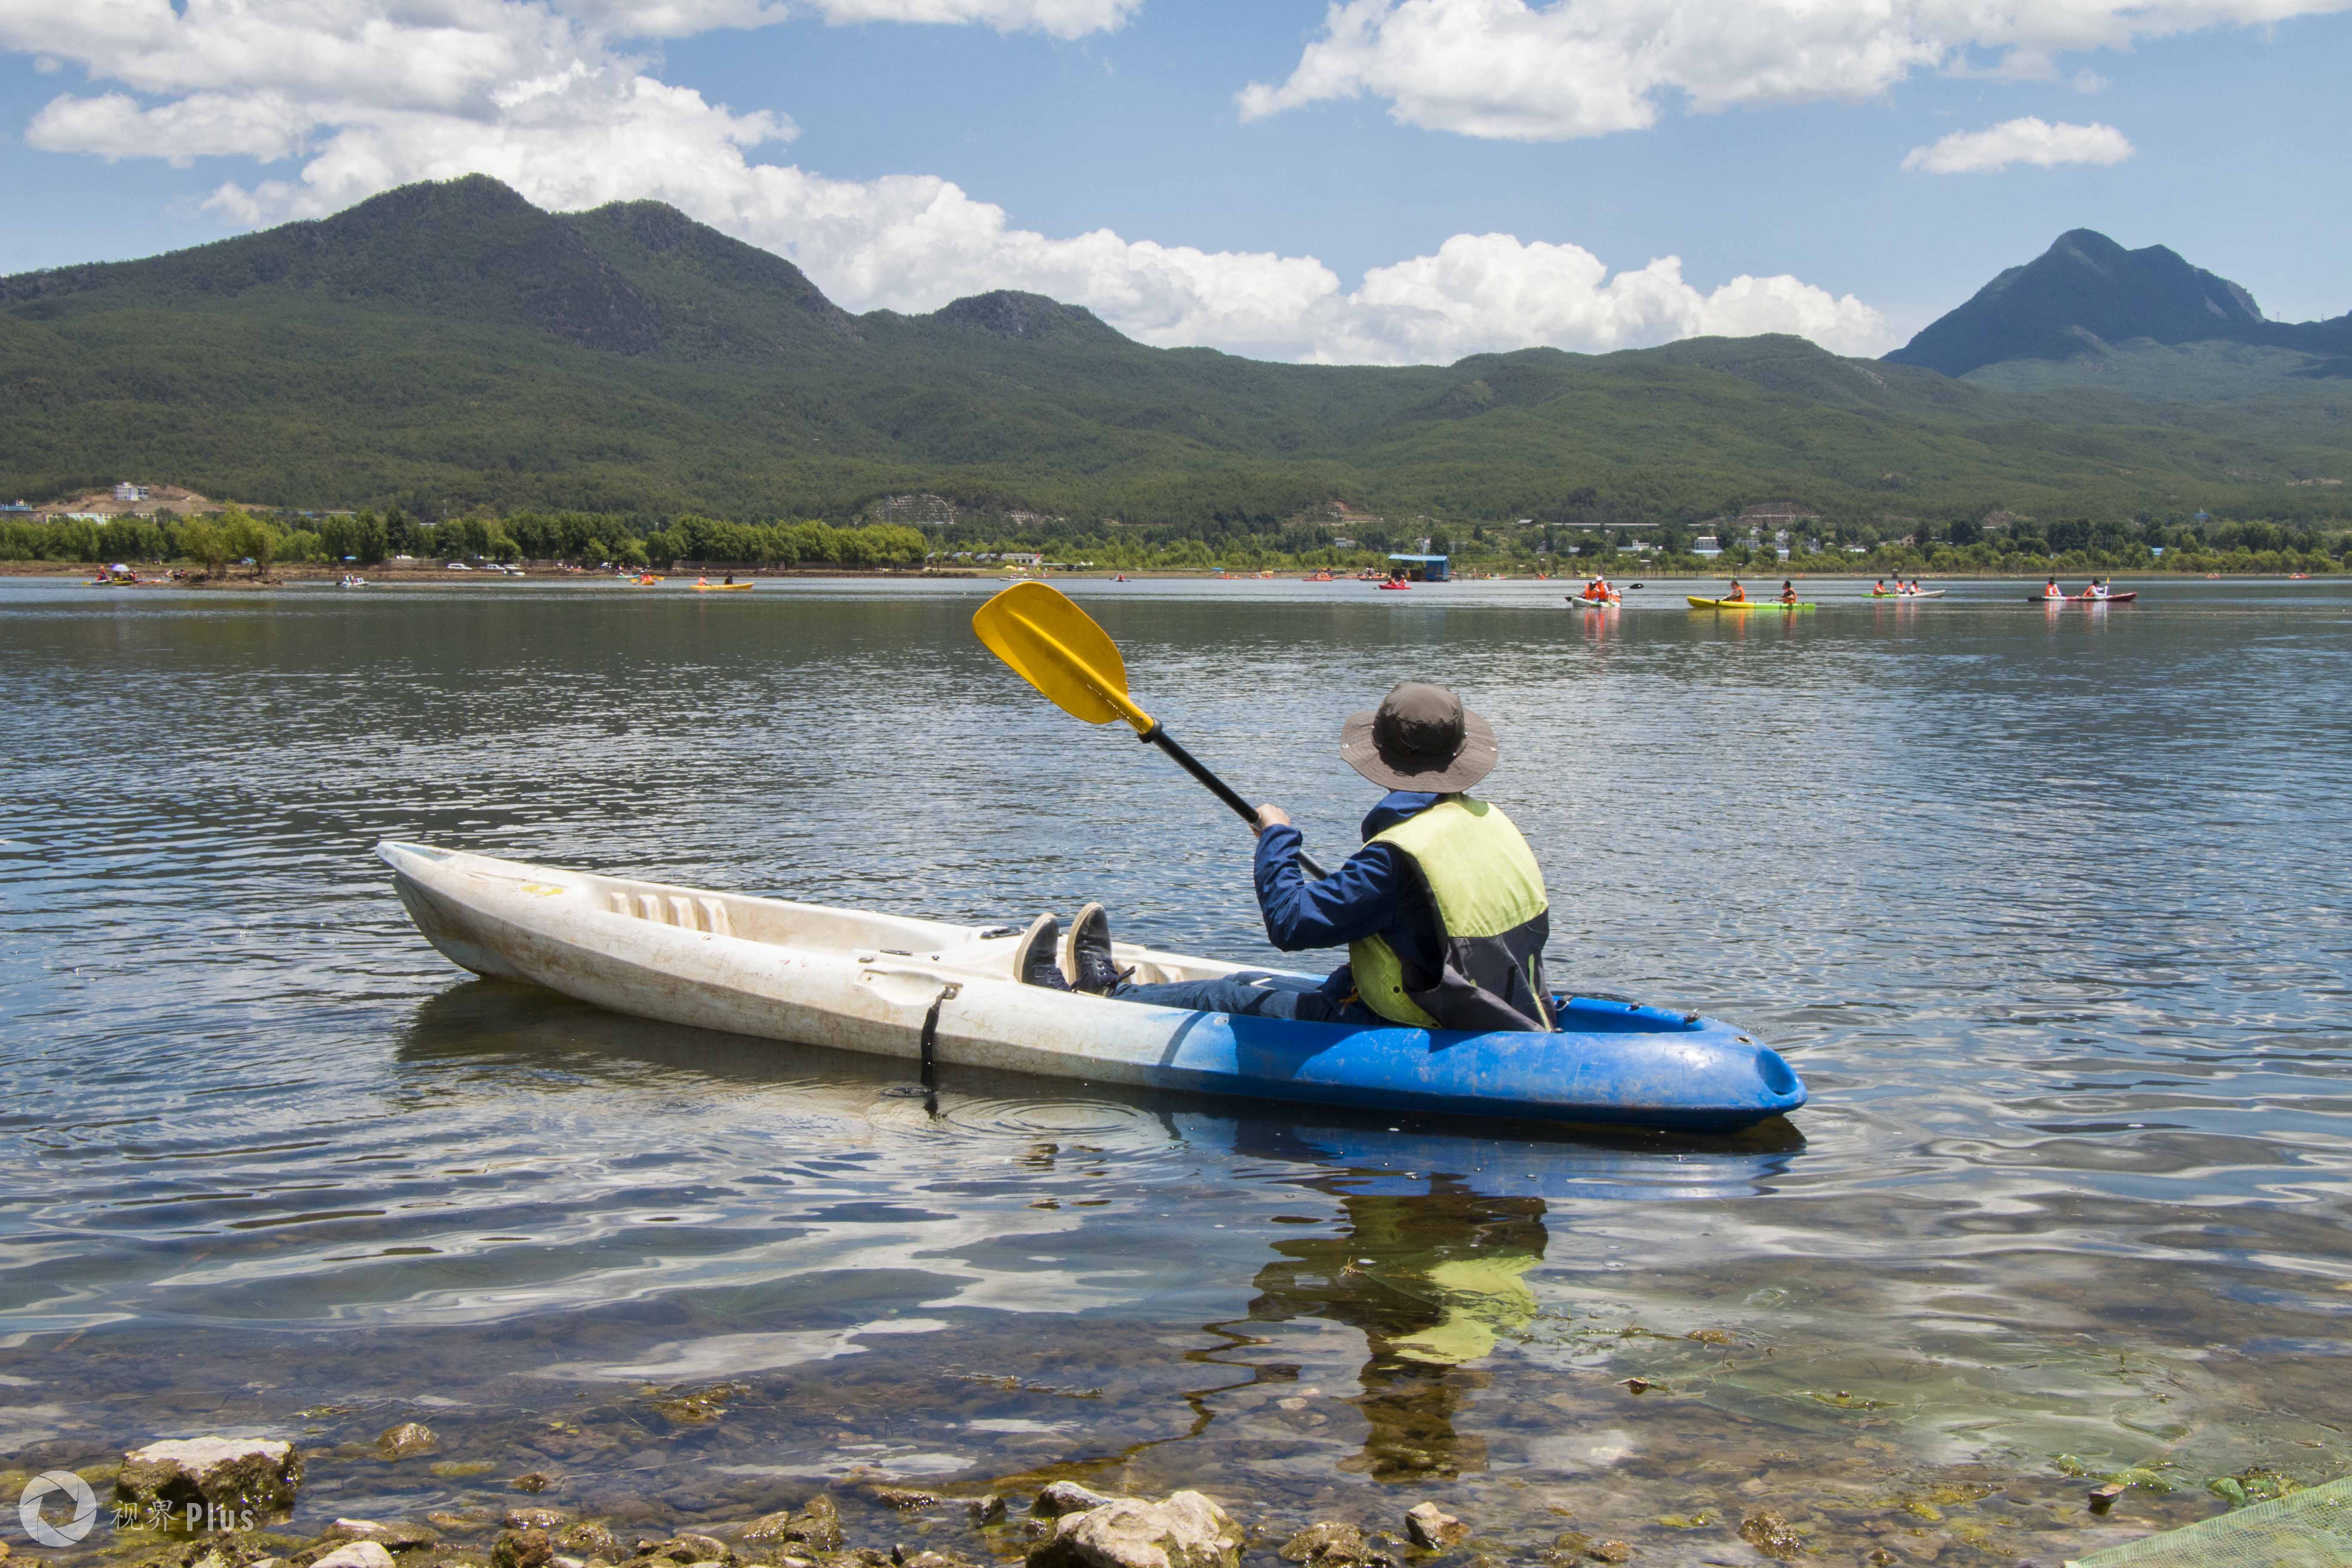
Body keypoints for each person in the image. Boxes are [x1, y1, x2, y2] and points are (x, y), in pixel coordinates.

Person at [1016, 682, 1556, 1032]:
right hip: (1481, 1001)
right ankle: (1110, 986)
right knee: (1262, 982)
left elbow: (1291, 924)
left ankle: (1095, 1001)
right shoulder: (1489, 822)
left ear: (1385, 758)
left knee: (1222, 998)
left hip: (1413, 1020)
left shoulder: (1397, 858)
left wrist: (1277, 839)